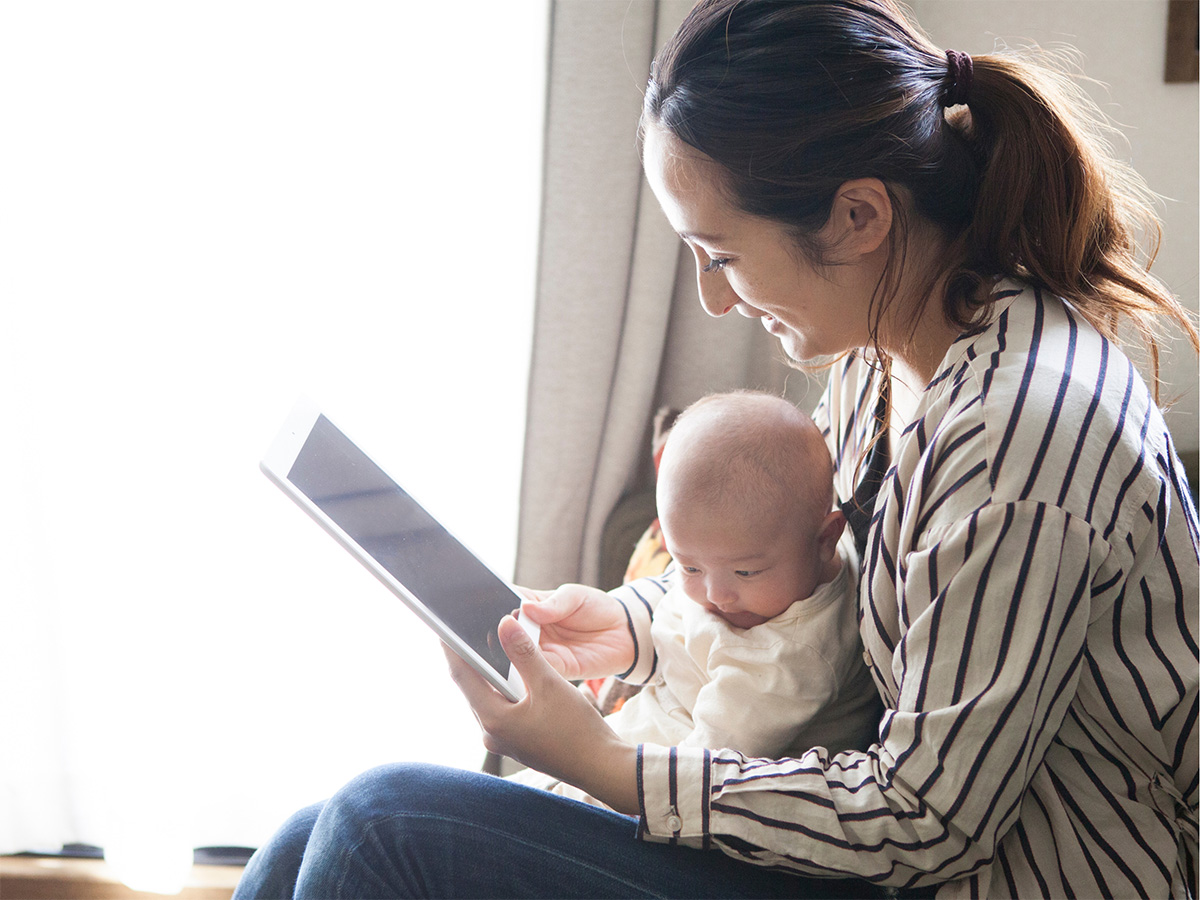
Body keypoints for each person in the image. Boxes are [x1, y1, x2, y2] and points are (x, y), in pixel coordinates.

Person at [234, 1, 1199, 897]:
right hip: (886, 854)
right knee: (305, 841)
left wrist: (606, 766)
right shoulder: (889, 356)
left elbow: (928, 820)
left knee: (379, 822)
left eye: (723, 254)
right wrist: (637, 626)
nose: (715, 298)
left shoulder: (1018, 428)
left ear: (860, 216)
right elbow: (808, 570)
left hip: (997, 877)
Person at [510, 391, 881, 807]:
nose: (715, 595)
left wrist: (578, 752)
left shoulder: (792, 658)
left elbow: (699, 773)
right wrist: (623, 620)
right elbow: (678, 624)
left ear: (826, 539)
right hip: (637, 740)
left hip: (665, 793)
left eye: (745, 571)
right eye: (688, 567)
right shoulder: (761, 581)